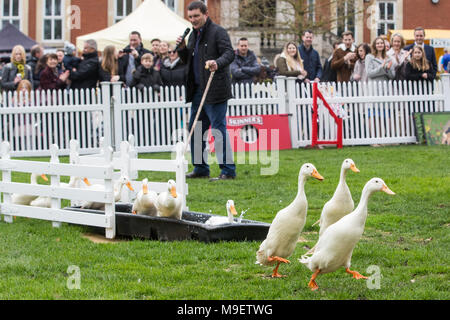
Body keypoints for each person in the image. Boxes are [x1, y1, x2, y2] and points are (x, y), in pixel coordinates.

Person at [177, 0, 236, 181]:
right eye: (191, 17)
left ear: (205, 14)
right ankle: (200, 168)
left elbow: (229, 53)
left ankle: (227, 170)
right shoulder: (193, 35)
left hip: (214, 88)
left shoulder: (218, 32)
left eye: (196, 16)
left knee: (218, 129)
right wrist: (181, 49)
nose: (193, 20)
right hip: (197, 90)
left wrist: (216, 63)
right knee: (195, 128)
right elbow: (188, 59)